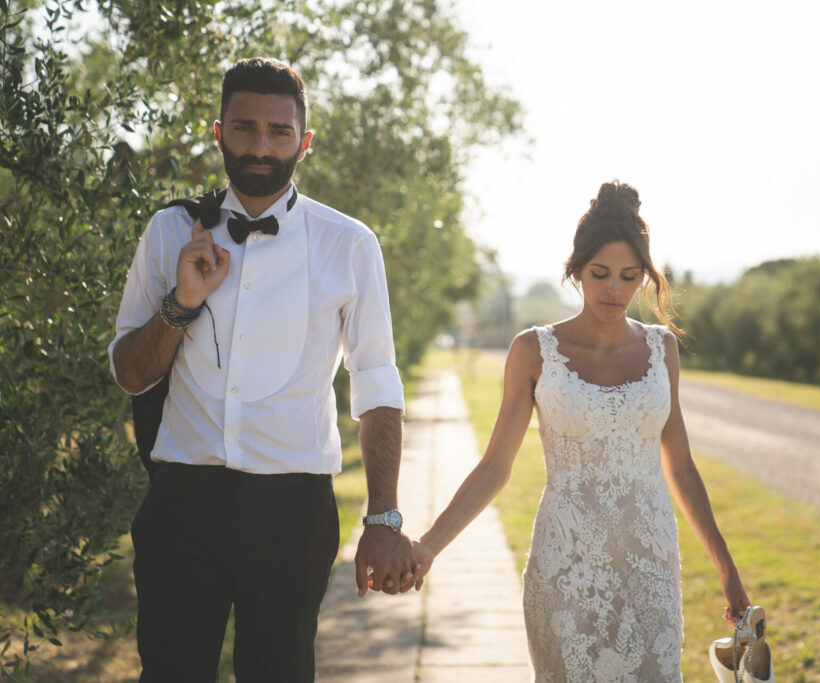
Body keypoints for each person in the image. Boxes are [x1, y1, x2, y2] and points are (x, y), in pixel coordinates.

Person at [109, 57, 420, 682]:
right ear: (218, 130)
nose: (260, 146)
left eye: (279, 132)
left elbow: (376, 380)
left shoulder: (349, 243)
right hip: (183, 503)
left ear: (303, 143)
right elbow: (128, 374)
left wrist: (384, 519)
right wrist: (182, 304)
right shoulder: (170, 232)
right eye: (245, 127)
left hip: (293, 511)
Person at [411, 180, 752, 680]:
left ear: (644, 279)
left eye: (629, 276)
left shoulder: (663, 350)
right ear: (576, 271)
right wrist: (429, 546)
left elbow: (679, 465)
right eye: (600, 273)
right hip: (566, 570)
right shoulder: (534, 350)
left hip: (650, 566)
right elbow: (494, 468)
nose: (614, 289)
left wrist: (728, 570)